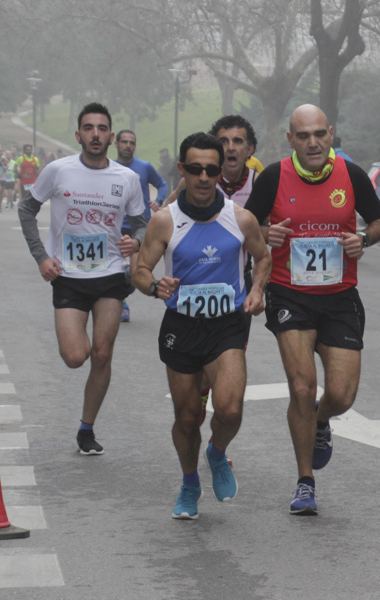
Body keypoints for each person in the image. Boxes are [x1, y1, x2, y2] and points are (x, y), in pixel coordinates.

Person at [245, 104, 380, 515]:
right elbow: (244, 224)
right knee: (303, 388)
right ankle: (305, 481)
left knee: (341, 395)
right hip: (290, 294)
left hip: (341, 296)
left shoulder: (351, 175)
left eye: (319, 134)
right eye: (303, 136)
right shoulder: (273, 176)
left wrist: (365, 238)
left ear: (330, 135)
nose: (312, 142)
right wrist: (262, 233)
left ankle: (322, 421)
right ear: (290, 140)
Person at [132, 132, 271, 520]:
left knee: (229, 409)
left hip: (227, 325)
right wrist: (154, 285)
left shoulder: (240, 218)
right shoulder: (165, 222)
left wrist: (257, 290)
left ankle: (217, 451)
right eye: (196, 169)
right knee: (187, 417)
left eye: (212, 169)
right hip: (181, 325)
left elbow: (263, 258)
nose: (205, 177)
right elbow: (140, 270)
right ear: (183, 170)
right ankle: (190, 481)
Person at [17, 102, 147, 456]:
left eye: (102, 128)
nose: (95, 134)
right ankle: (77, 343)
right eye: (88, 128)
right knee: (77, 356)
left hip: (109, 275)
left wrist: (135, 240)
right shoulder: (58, 171)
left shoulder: (127, 179)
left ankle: (86, 429)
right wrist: (41, 257)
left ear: (110, 135)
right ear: (78, 135)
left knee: (102, 355)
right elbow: (26, 209)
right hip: (69, 276)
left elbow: (141, 222)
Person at [114, 130, 169, 323]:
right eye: (124, 142)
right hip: (116, 229)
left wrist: (158, 200)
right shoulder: (109, 168)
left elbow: (162, 185)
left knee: (134, 272)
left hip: (140, 228)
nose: (128, 145)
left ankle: (121, 296)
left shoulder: (144, 167)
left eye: (132, 143)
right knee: (113, 270)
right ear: (116, 144)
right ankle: (119, 301)